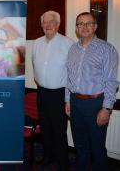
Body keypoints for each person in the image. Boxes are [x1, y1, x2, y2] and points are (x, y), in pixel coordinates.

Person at [65, 12, 119, 171]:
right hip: (75, 102)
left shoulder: (107, 49)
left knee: (97, 148)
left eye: (88, 23)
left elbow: (111, 81)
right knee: (80, 146)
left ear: (95, 26)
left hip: (96, 104)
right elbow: (69, 77)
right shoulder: (72, 49)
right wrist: (68, 100)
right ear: (76, 28)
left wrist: (107, 109)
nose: (84, 27)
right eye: (80, 23)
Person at [32, 10, 74, 170]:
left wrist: (68, 98)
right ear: (41, 25)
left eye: (52, 22)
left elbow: (72, 72)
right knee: (45, 128)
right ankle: (48, 157)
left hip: (59, 94)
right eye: (45, 22)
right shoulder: (36, 43)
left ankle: (64, 162)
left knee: (59, 130)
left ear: (58, 24)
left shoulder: (68, 43)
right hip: (41, 92)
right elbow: (35, 65)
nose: (48, 25)